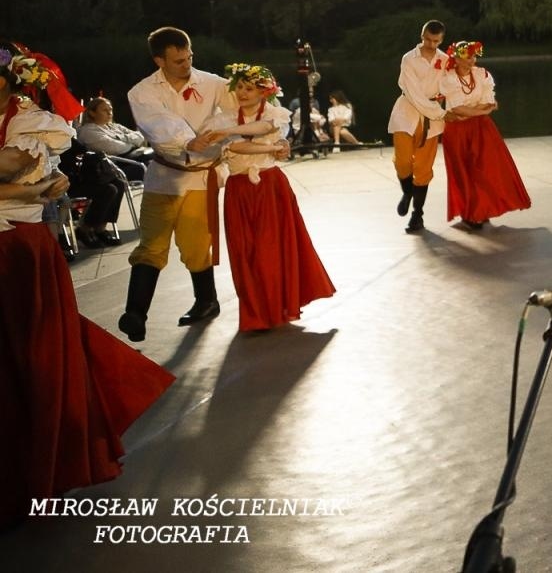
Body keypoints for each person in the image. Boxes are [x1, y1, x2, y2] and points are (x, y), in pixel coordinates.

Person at [0, 42, 175, 527]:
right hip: (14, 242)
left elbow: (10, 167)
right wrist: (29, 190)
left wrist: (24, 190)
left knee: (32, 358)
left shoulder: (32, 123)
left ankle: (38, 467)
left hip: (17, 251)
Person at [120, 27, 277, 343]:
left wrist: (268, 124)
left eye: (189, 56)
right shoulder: (142, 92)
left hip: (200, 177)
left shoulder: (212, 83)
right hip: (164, 176)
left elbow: (248, 103)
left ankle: (207, 300)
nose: (186, 64)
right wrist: (189, 139)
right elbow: (158, 125)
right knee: (151, 244)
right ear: (159, 60)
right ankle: (135, 313)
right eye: (178, 60)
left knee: (194, 246)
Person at [203, 64, 336, 332]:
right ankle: (255, 313)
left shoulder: (276, 115)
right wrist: (273, 146)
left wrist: (272, 144)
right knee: (244, 251)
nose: (242, 92)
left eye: (249, 88)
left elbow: (263, 128)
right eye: (239, 87)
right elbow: (238, 145)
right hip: (239, 189)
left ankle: (278, 307)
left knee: (271, 249)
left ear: (264, 92)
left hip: (270, 186)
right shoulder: (224, 118)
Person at [437, 41, 531, 230]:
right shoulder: (448, 78)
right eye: (467, 57)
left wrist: (476, 111)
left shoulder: (481, 74)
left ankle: (483, 208)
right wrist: (480, 111)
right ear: (456, 58)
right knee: (464, 171)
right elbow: (458, 108)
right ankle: (470, 213)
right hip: (457, 130)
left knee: (487, 169)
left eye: (473, 57)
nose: (471, 60)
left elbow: (489, 102)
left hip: (482, 128)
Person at [389, 20, 450, 234]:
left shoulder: (445, 60)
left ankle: (417, 214)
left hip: (432, 119)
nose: (431, 44)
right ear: (422, 35)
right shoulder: (409, 59)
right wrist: (440, 113)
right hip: (407, 111)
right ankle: (407, 191)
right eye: (427, 39)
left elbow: (451, 86)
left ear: (441, 39)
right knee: (403, 161)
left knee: (423, 168)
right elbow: (413, 92)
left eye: (436, 41)